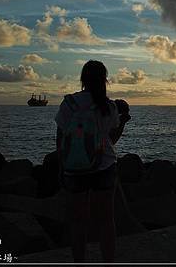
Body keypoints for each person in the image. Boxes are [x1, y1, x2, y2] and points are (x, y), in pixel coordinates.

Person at [54, 60, 130, 263]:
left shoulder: (69, 103)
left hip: (74, 169)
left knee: (78, 222)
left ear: (83, 79)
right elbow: (111, 140)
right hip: (104, 166)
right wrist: (122, 122)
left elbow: (60, 139)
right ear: (104, 80)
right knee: (106, 221)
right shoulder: (108, 107)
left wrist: (62, 167)